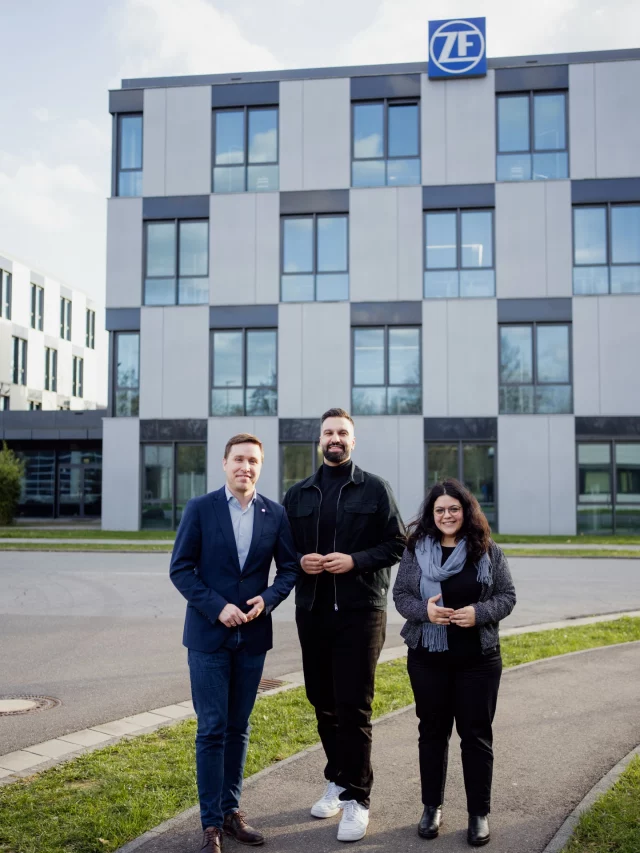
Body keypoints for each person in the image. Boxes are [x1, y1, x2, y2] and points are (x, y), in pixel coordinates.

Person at [170, 433, 299, 853]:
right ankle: (210, 824)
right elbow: (181, 569)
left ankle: (231, 811)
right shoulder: (200, 509)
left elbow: (290, 570)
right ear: (224, 464)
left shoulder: (273, 514)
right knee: (211, 728)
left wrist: (269, 597)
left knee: (238, 728)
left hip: (252, 638)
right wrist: (216, 607)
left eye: (253, 461)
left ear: (260, 467)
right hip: (208, 636)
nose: (246, 467)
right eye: (239, 460)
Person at [283, 407, 405, 842]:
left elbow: (397, 543)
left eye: (342, 433)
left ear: (353, 441)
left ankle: (358, 798)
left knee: (354, 707)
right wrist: (299, 561)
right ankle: (337, 777)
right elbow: (283, 552)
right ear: (319, 441)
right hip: (312, 611)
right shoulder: (299, 494)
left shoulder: (375, 488)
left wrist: (355, 561)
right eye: (328, 433)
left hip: (360, 612)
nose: (335, 439)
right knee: (322, 701)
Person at [392, 478, 516, 848]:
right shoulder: (416, 550)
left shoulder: (487, 550)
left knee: (476, 736)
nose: (447, 515)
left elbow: (507, 597)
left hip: (478, 660)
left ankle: (478, 814)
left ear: (466, 511)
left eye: (454, 508)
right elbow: (400, 596)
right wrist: (424, 612)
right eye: (440, 509)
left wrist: (478, 613)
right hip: (428, 660)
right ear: (432, 515)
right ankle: (432, 807)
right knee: (432, 733)